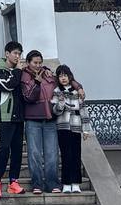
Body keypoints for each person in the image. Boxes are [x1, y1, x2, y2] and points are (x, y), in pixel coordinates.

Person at [19, 51, 58, 194]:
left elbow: (64, 81)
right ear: (28, 62)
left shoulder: (48, 74)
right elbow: (29, 97)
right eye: (35, 63)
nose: (38, 65)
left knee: (52, 153)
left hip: (50, 119)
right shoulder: (24, 76)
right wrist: (37, 82)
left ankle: (52, 183)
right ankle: (37, 184)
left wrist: (78, 87)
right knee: (34, 153)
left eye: (40, 62)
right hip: (33, 120)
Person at [0, 40, 25, 199]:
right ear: (7, 54)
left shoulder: (19, 70)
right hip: (5, 114)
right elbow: (8, 85)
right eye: (15, 53)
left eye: (19, 54)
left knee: (17, 149)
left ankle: (13, 182)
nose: (18, 56)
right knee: (4, 148)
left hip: (19, 114)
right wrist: (17, 71)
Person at [52, 64, 85, 193]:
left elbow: (83, 110)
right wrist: (60, 103)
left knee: (76, 155)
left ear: (70, 76)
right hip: (63, 127)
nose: (63, 78)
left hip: (76, 126)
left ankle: (76, 183)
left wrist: (86, 129)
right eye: (60, 76)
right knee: (66, 155)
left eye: (65, 75)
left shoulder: (77, 91)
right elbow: (55, 111)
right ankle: (66, 183)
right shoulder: (56, 91)